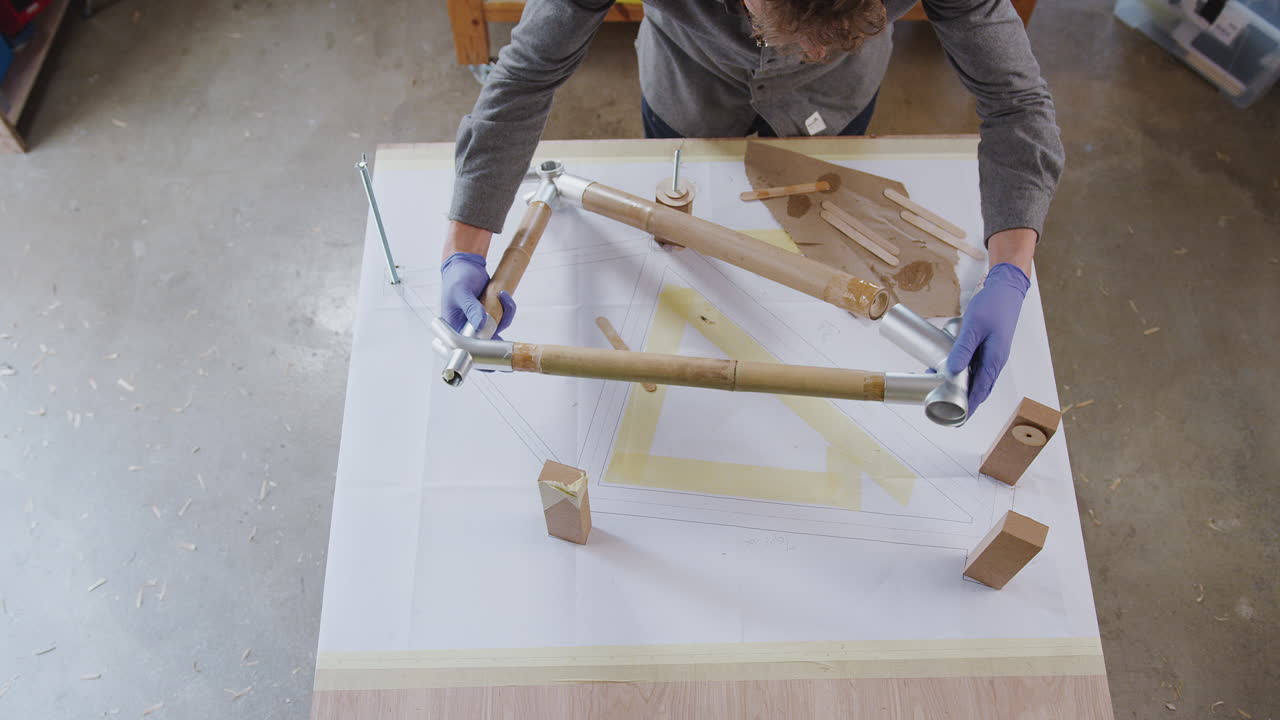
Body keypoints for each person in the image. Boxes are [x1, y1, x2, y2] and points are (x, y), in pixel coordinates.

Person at [439, 0, 1064, 415]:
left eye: (833, 34)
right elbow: (525, 77)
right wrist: (465, 250)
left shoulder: (830, 55)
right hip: (690, 88)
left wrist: (1010, 271)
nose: (810, 52)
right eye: (794, 33)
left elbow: (1016, 102)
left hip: (834, 104)